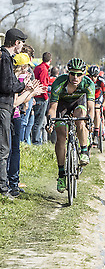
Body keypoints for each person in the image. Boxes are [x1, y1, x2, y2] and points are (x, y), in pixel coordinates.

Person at [46, 58, 95, 193]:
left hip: (79, 103)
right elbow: (53, 107)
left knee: (81, 119)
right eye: (73, 74)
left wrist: (90, 121)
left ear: (83, 75)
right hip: (62, 105)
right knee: (61, 136)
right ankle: (61, 174)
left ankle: (84, 151)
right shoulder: (59, 83)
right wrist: (50, 120)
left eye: (79, 74)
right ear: (68, 73)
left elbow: (91, 108)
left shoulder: (88, 83)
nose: (75, 77)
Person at [8, 53, 45, 197]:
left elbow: (23, 100)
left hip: (15, 116)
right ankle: (10, 182)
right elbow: (16, 102)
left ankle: (13, 181)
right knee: (11, 151)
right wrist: (30, 91)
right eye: (26, 67)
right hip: (12, 117)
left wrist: (32, 93)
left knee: (14, 150)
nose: (28, 70)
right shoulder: (14, 78)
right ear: (22, 67)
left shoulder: (18, 78)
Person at [0, 28, 29, 199]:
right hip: (3, 107)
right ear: (16, 43)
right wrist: (23, 86)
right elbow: (6, 86)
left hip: (5, 106)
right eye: (22, 42)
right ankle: (3, 190)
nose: (23, 46)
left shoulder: (5, 57)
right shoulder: (5, 58)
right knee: (4, 149)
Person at [31, 52, 51, 144]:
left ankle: (34, 140)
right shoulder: (44, 69)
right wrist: (46, 98)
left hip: (35, 96)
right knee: (38, 122)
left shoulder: (38, 67)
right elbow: (43, 85)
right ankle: (36, 142)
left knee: (36, 121)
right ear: (50, 60)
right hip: (41, 98)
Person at [87, 66, 105, 145]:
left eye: (95, 76)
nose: (93, 78)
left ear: (98, 75)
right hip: (88, 97)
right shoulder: (85, 80)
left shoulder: (101, 81)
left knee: (96, 110)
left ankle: (96, 133)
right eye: (91, 76)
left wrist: (103, 105)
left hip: (97, 97)